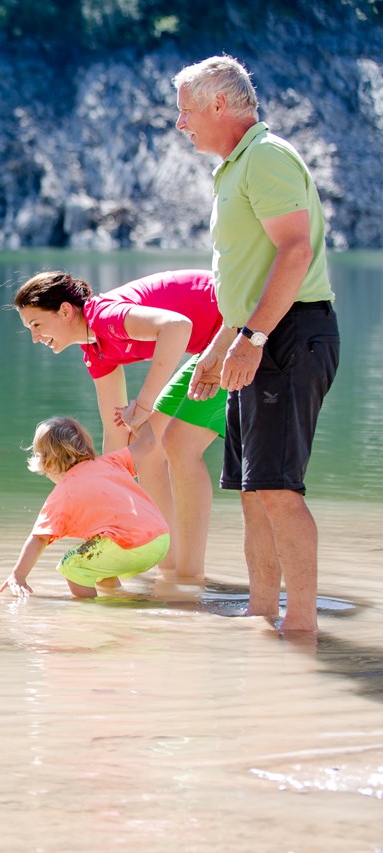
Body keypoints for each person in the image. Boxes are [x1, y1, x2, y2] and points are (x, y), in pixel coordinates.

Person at [173, 54, 339, 633]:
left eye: (186, 110)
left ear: (219, 104)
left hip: (289, 334)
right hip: (258, 334)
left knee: (278, 488)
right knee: (253, 489)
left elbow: (295, 251)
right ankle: (263, 612)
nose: (180, 123)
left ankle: (302, 626)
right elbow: (250, 277)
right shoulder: (236, 167)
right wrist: (220, 347)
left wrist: (252, 337)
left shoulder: (265, 157)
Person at [13, 269, 225, 583]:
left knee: (179, 443)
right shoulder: (95, 350)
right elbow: (116, 433)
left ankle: (190, 576)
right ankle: (169, 570)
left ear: (65, 311)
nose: (34, 337)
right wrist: (102, 492)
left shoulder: (103, 317)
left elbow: (178, 326)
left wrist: (145, 401)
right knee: (149, 453)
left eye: (36, 324)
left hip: (237, 332)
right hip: (209, 349)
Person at [0, 416, 169, 599]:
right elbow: (148, 442)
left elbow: (39, 539)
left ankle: (87, 609)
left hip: (133, 545)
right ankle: (119, 600)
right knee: (98, 563)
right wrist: (136, 420)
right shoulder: (111, 461)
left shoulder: (63, 493)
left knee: (72, 565)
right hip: (161, 539)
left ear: (46, 463)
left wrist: (18, 575)